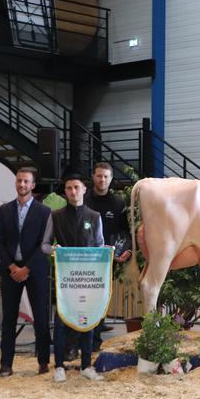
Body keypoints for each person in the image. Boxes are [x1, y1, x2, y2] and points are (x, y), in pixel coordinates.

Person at [42, 173, 105, 383]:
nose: (73, 192)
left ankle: (87, 365)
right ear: (65, 191)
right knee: (61, 322)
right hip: (66, 281)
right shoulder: (56, 216)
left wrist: (109, 252)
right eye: (69, 188)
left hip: (87, 279)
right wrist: (53, 249)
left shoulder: (95, 216)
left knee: (87, 321)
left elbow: (100, 245)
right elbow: (44, 244)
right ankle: (59, 366)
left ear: (84, 190)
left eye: (76, 187)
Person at [0, 167, 52, 377]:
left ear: (33, 185)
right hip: (10, 271)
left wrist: (26, 268)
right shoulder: (4, 210)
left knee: (41, 318)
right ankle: (6, 365)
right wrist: (12, 267)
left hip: (34, 271)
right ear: (15, 183)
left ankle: (43, 362)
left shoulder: (44, 212)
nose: (22, 185)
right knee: (8, 319)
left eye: (26, 181)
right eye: (19, 181)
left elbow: (45, 244)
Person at [83, 162, 131, 351]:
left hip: (107, 261)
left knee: (101, 299)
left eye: (106, 176)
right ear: (93, 177)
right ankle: (82, 339)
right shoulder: (84, 200)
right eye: (99, 176)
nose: (102, 179)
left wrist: (127, 249)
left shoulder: (118, 203)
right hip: (84, 259)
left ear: (111, 179)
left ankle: (94, 340)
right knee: (83, 300)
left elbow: (125, 232)